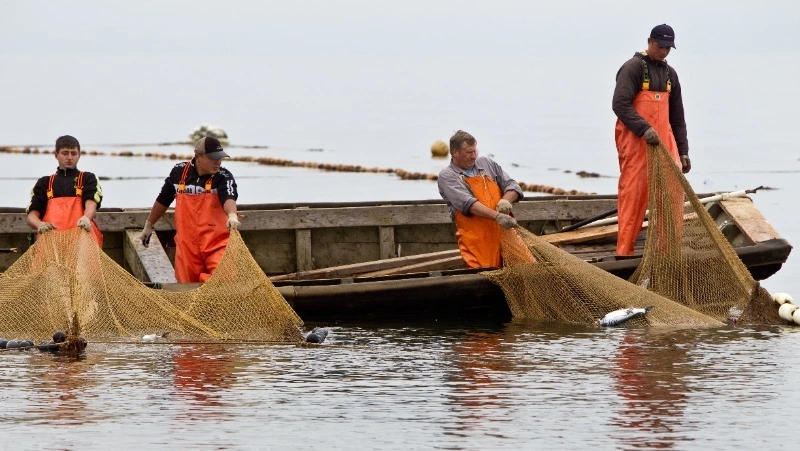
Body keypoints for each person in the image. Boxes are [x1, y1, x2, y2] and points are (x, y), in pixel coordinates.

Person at [612, 24, 691, 257]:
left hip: (665, 143)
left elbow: (677, 118)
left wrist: (684, 151)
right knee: (634, 194)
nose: (664, 51)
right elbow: (620, 104)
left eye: (668, 48)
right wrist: (644, 129)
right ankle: (623, 253)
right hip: (637, 143)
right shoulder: (633, 68)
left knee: (672, 192)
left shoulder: (671, 75)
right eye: (660, 46)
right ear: (649, 41)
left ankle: (667, 251)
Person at [139, 136, 241, 283]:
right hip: (187, 246)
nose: (218, 162)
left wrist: (232, 215)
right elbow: (163, 199)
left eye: (220, 158)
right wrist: (149, 224)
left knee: (223, 280)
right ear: (198, 156)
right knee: (186, 286)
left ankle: (205, 288)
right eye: (213, 158)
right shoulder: (179, 173)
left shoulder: (223, 176)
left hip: (217, 243)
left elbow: (229, 197)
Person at [437, 130, 523, 268]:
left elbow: (512, 185)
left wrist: (505, 200)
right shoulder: (447, 176)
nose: (473, 156)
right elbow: (468, 204)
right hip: (478, 240)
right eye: (469, 153)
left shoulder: (486, 163)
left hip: (505, 232)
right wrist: (498, 217)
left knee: (526, 265)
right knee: (486, 274)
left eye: (474, 151)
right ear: (455, 152)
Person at [26, 135, 104, 246]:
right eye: (65, 153)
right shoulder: (44, 183)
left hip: (82, 244)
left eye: (74, 153)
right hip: (51, 245)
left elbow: (91, 206)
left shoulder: (88, 178)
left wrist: (86, 218)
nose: (69, 157)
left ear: (79, 155)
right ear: (56, 155)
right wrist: (40, 225)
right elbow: (31, 217)